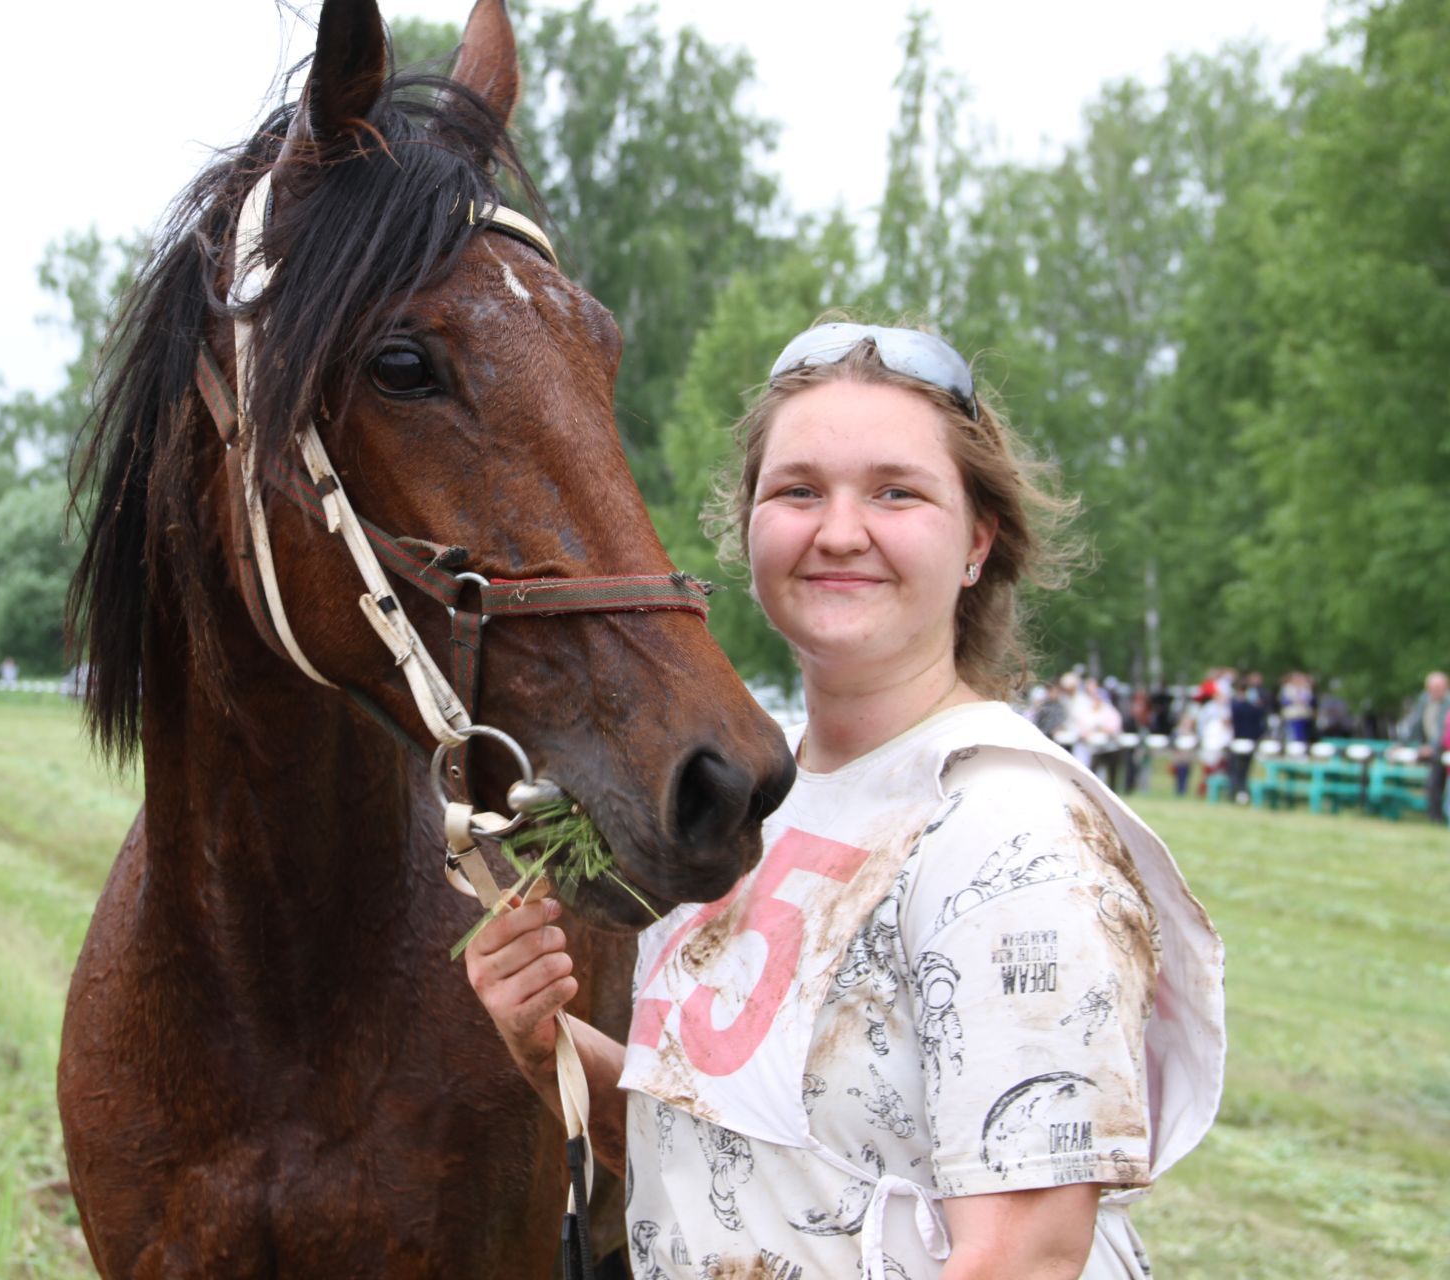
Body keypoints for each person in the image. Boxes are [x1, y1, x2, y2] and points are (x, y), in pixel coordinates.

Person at [466, 321, 1224, 1279]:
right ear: (750, 530)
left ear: (978, 543)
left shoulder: (1009, 830)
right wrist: (544, 1043)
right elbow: (717, 1165)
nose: (837, 531)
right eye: (797, 491)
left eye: (895, 492)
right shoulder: (752, 801)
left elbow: (1025, 1257)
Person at [1399, 671, 1449, 824]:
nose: (1434, 692)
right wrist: (1401, 744)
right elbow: (1414, 724)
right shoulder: (1424, 700)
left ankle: (1436, 817)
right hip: (1427, 748)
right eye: (1432, 688)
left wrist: (1433, 748)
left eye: (1438, 688)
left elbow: (1444, 730)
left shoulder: (1448, 703)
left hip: (1443, 749)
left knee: (1435, 779)